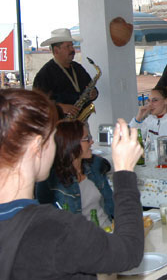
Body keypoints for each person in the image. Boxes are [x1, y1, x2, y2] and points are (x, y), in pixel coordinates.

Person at [0, 89, 144, 279]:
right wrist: (125, 172)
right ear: (37, 147)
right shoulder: (55, 229)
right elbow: (128, 252)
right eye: (52, 138)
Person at [36, 120, 114, 228]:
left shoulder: (94, 165)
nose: (91, 142)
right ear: (71, 144)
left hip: (109, 228)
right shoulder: (51, 181)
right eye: (87, 139)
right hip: (82, 239)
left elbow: (111, 202)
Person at [32, 28, 98, 118]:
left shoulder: (78, 68)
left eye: (72, 46)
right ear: (56, 51)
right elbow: (37, 103)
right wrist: (59, 107)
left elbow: (91, 87)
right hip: (59, 125)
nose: (72, 49)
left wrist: (94, 93)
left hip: (80, 123)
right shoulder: (44, 74)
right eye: (68, 46)